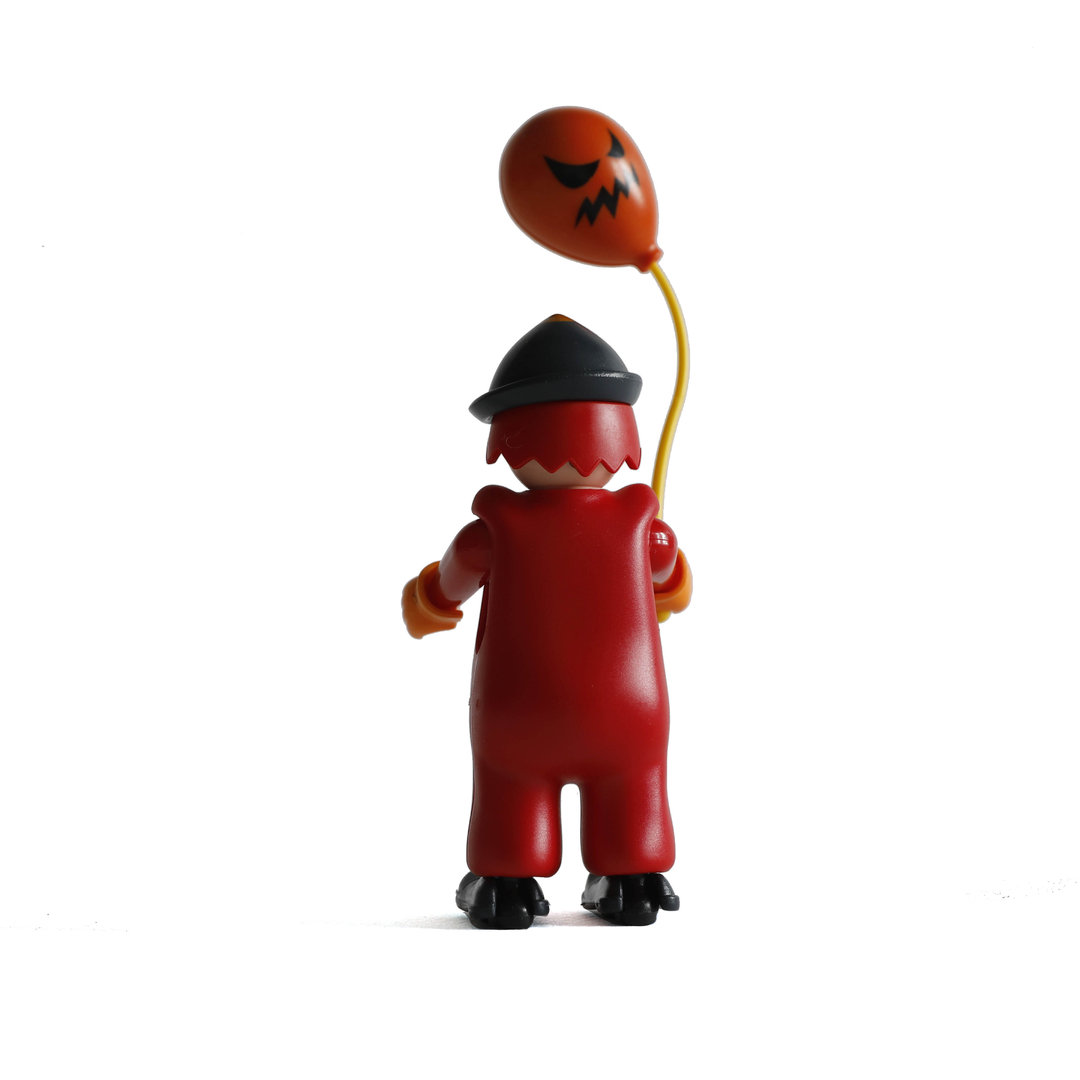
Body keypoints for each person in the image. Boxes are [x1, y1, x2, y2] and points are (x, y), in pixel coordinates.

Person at [402, 315, 691, 928]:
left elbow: (447, 584)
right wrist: (667, 586)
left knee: (511, 782)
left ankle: (506, 880)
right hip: (629, 711)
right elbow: (672, 581)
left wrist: (425, 604)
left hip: (519, 711)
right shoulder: (646, 528)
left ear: (510, 436)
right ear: (620, 432)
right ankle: (631, 874)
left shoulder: (493, 530)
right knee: (631, 783)